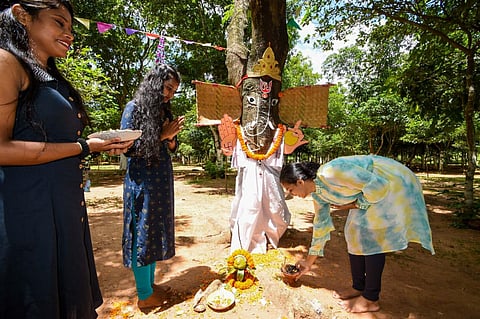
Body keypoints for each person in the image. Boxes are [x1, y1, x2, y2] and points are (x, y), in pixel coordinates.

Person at [0, 1, 133, 318]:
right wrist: (84, 147)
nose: (68, 34)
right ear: (23, 16)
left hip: (65, 213)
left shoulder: (50, 78)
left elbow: (54, 139)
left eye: (71, 27)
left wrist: (99, 143)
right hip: (28, 215)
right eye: (59, 23)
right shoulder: (6, 62)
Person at [279, 155, 435, 313]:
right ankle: (359, 287)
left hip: (392, 183)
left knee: (372, 238)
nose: (291, 194)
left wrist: (354, 204)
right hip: (371, 193)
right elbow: (320, 227)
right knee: (353, 233)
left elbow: (379, 186)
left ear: (300, 181)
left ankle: (371, 299)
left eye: (290, 190)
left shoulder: (331, 172)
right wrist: (308, 263)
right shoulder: (318, 194)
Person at [120, 63, 185, 309]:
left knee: (154, 232)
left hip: (161, 180)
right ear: (154, 82)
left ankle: (150, 284)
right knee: (141, 234)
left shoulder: (163, 112)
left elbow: (172, 146)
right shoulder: (133, 108)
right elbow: (127, 148)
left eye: (173, 91)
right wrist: (161, 136)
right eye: (167, 87)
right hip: (142, 182)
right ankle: (144, 295)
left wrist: (169, 138)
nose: (169, 94)